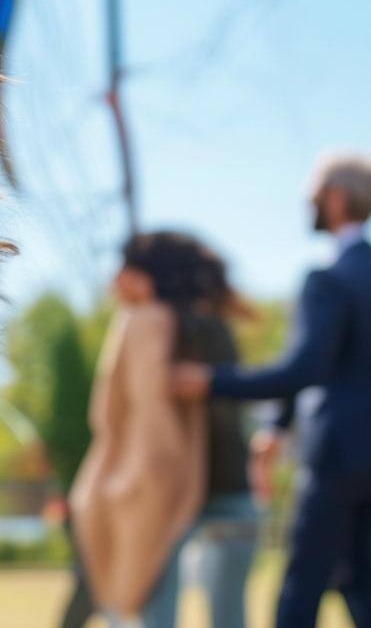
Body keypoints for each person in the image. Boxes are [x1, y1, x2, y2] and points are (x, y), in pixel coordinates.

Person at [173, 152, 371, 628]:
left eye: (313, 195)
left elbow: (304, 369)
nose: (307, 203)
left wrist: (210, 380)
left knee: (302, 585)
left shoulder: (327, 280)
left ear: (336, 200)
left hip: (336, 452)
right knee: (357, 573)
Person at [70, 231, 250, 628]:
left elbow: (131, 414)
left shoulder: (146, 320)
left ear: (149, 276)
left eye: (125, 268)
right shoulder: (213, 323)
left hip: (166, 490)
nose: (114, 279)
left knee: (148, 611)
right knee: (229, 615)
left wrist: (133, 479)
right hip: (232, 487)